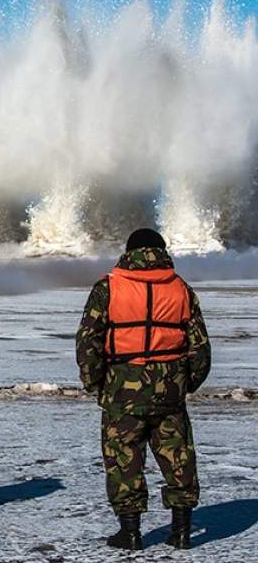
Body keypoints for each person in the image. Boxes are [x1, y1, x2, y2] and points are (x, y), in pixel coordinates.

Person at [76, 228, 211, 550]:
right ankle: (181, 531)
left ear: (129, 252)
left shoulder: (108, 288)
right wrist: (186, 382)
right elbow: (200, 348)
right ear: (163, 252)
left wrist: (95, 383)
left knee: (124, 459)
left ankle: (131, 532)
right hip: (170, 389)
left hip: (122, 388)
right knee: (178, 458)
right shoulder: (182, 290)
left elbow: (88, 342)